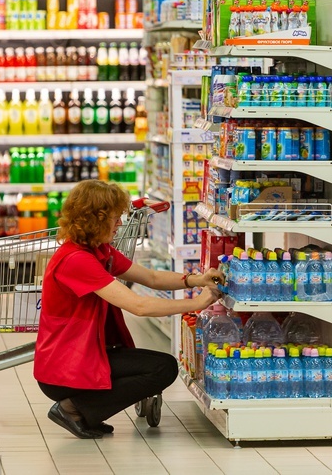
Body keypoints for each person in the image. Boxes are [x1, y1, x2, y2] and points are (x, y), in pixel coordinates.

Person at [34, 180, 223, 439]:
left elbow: (151, 278)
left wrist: (195, 280)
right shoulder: (77, 261)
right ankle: (74, 408)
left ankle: (86, 410)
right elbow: (139, 305)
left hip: (84, 353)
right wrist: (195, 304)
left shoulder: (100, 251)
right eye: (114, 218)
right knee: (162, 368)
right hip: (65, 368)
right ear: (96, 220)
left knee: (158, 365)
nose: (119, 224)